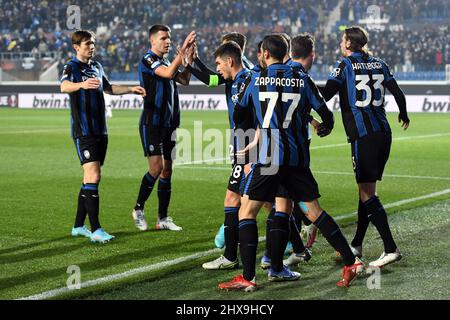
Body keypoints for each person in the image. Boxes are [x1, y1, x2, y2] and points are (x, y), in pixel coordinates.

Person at [218, 35, 363, 292]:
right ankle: (351, 262)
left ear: (263, 53)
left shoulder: (255, 79)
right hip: (296, 159)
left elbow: (240, 115)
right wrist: (324, 128)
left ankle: (248, 278)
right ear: (285, 53)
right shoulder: (302, 78)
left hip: (270, 158)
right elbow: (326, 115)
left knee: (247, 212)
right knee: (313, 211)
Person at [319, 26, 410, 268]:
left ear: (349, 43)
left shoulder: (345, 64)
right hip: (383, 133)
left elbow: (326, 94)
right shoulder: (380, 63)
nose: (341, 43)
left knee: (368, 194)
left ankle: (390, 248)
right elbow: (398, 92)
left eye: (342, 39)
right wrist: (404, 114)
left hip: (363, 135)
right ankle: (357, 243)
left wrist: (303, 88)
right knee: (366, 190)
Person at [60, 30, 146, 243]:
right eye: (87, 43)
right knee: (94, 175)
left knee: (89, 178)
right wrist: (81, 85)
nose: (92, 46)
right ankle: (96, 229)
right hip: (84, 131)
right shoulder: (72, 67)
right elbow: (63, 86)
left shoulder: (96, 67)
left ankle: (78, 226)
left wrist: (130, 90)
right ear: (76, 47)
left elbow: (108, 88)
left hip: (101, 130)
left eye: (93, 43)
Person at [186, 32, 255, 254]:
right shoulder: (239, 74)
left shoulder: (245, 75)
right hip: (242, 139)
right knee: (251, 195)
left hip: (248, 141)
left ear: (232, 54)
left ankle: (233, 247)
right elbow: (213, 78)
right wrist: (194, 61)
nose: (217, 65)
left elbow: (211, 79)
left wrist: (191, 62)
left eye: (220, 57)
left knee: (252, 196)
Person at [131, 25, 196, 231]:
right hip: (152, 122)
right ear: (152, 41)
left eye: (169, 38)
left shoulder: (168, 60)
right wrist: (183, 49)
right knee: (156, 168)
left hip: (170, 123)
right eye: (163, 38)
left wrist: (190, 61)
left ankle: (163, 218)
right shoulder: (148, 60)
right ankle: (138, 208)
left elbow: (183, 80)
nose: (167, 41)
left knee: (167, 170)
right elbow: (167, 74)